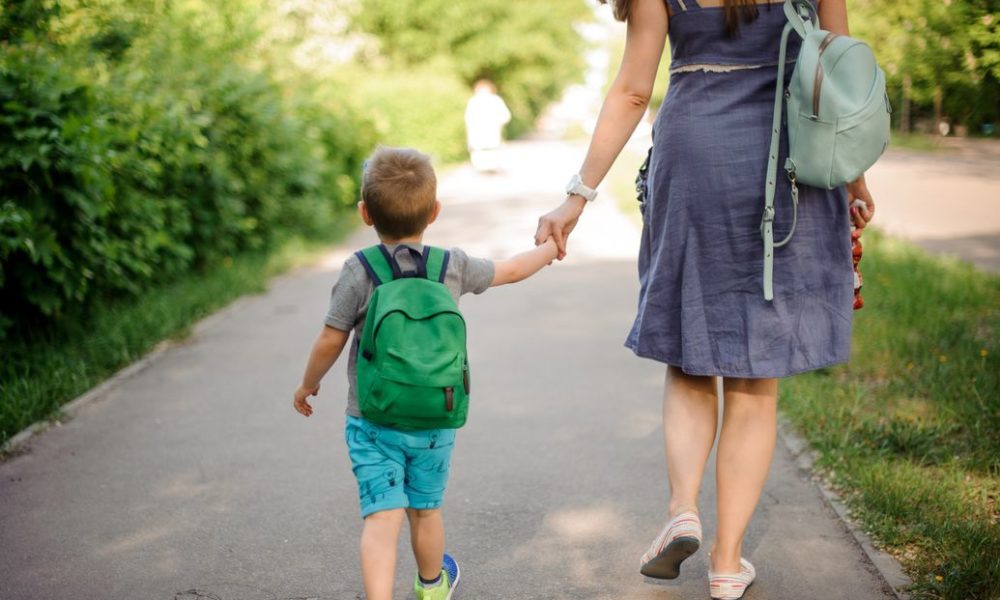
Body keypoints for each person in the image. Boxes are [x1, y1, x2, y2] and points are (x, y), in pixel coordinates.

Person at [534, 1, 876, 599]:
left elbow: (634, 91)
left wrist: (576, 196)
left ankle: (683, 509)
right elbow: (838, 77)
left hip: (694, 154)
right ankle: (726, 563)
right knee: (756, 374)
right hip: (788, 162)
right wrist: (856, 181)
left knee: (692, 354)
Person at [293, 146, 558, 600]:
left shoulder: (359, 270)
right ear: (434, 212)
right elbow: (513, 270)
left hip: (372, 419)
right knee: (426, 510)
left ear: (364, 213)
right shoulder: (449, 266)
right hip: (436, 416)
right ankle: (432, 586)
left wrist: (308, 383)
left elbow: (331, 339)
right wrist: (552, 246)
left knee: (382, 516)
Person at [464, 79, 512, 172]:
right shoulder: (474, 101)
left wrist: (498, 122)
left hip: (492, 132)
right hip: (477, 133)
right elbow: (468, 118)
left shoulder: (496, 100)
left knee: (492, 153)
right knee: (479, 154)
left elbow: (505, 115)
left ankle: (490, 169)